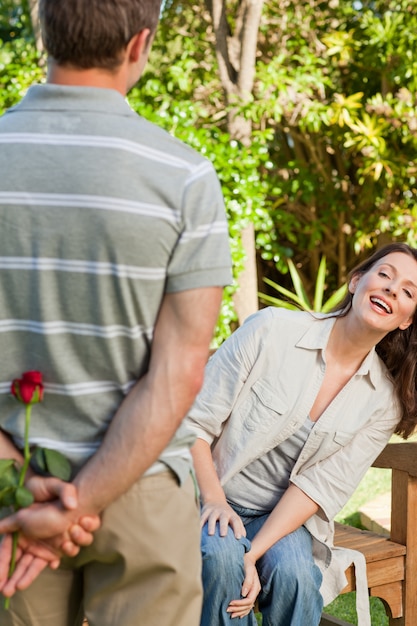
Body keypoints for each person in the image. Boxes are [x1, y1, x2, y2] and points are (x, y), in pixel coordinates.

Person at [0, 1, 232, 625]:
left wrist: (23, 483)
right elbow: (180, 372)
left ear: (37, 25)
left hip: (10, 497)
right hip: (143, 494)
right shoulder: (184, 178)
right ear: (140, 44)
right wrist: (81, 505)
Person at [185, 242, 417, 626]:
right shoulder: (272, 330)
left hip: (279, 517)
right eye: (385, 275)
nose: (393, 289)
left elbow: (317, 487)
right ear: (357, 281)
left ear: (407, 319)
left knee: (294, 575)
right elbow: (194, 424)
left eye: (408, 292)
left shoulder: (382, 404)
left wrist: (252, 552)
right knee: (221, 558)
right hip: (207, 490)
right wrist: (214, 501)